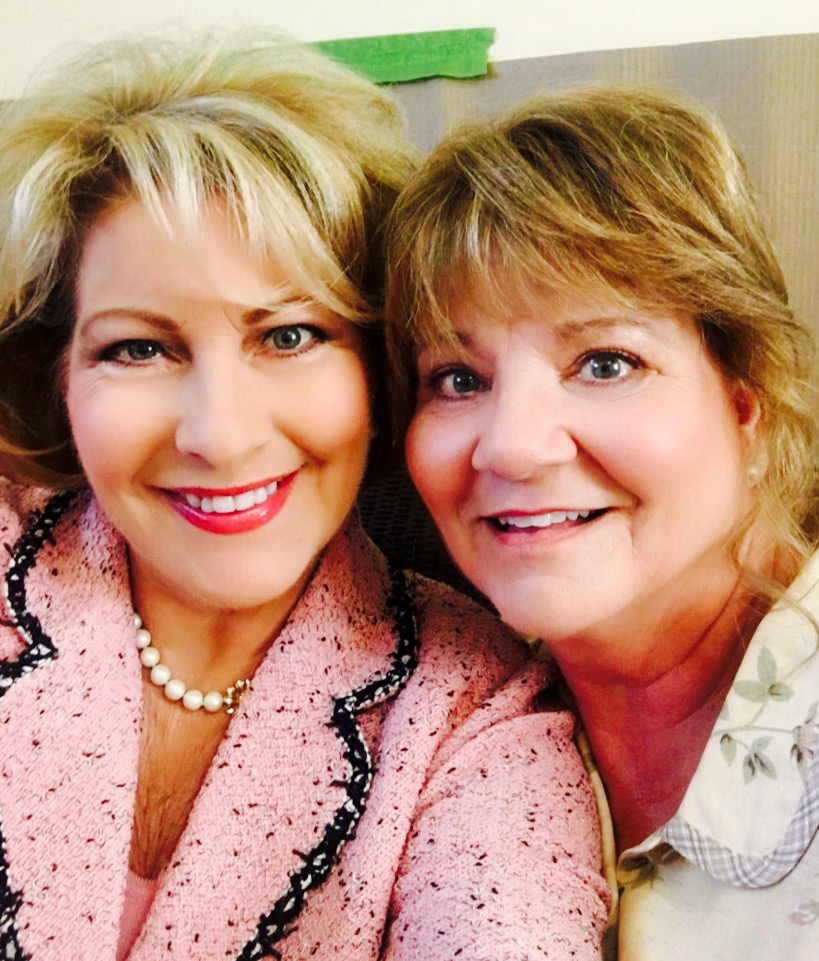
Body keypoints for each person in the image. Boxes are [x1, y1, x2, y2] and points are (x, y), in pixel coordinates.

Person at [0, 37, 610, 961]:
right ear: (61, 377)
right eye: (138, 348)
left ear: (378, 371)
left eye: (288, 336)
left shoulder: (472, 712)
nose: (221, 434)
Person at [384, 85, 819, 960]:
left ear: (749, 401)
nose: (511, 446)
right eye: (458, 379)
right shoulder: (443, 730)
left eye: (605, 362)